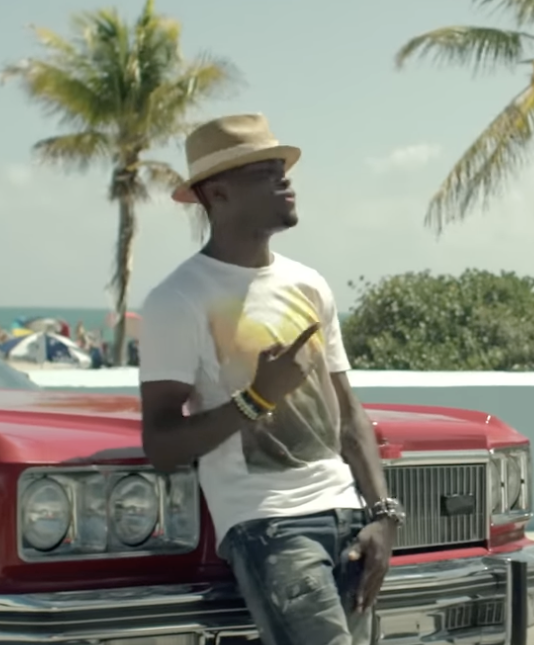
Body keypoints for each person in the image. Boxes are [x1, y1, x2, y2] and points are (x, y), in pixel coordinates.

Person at [137, 114, 403, 645]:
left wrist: (382, 516)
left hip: (348, 519)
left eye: (282, 167)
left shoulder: (309, 284)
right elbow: (162, 444)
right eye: (264, 171)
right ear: (218, 193)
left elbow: (348, 413)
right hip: (270, 527)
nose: (285, 179)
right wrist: (257, 398)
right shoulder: (178, 299)